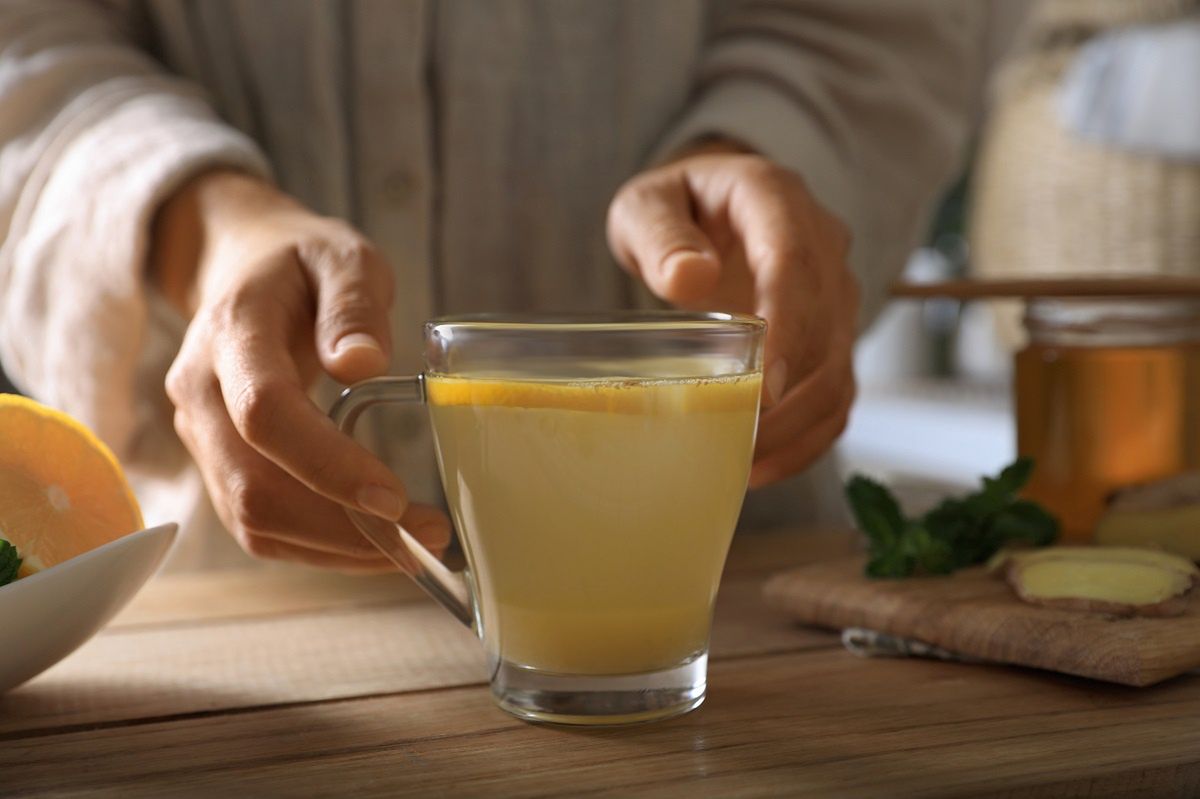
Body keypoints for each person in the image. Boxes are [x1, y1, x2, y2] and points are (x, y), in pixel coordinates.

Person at [0, 1, 981, 572]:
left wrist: (763, 151)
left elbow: (888, 26)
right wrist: (209, 227)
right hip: (239, 606)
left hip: (734, 601)